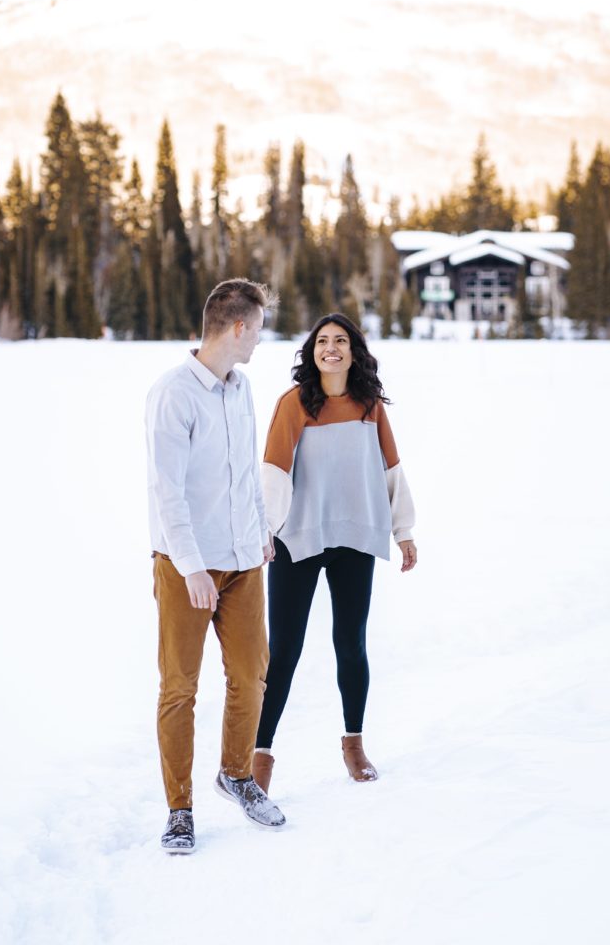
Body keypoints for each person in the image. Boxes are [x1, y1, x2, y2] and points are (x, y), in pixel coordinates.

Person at [145, 278, 286, 855]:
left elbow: (246, 471)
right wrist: (191, 566)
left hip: (243, 559)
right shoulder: (173, 394)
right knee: (180, 687)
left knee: (252, 672)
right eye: (257, 329)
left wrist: (259, 533)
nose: (259, 340)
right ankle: (180, 809)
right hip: (187, 566)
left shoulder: (241, 387)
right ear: (237, 327)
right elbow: (167, 492)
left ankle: (236, 774)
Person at [252, 313, 417, 793]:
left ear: (354, 351)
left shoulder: (370, 407)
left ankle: (354, 744)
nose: (331, 348)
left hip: (354, 537)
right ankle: (259, 757)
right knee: (284, 650)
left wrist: (403, 529)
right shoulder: (294, 404)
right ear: (312, 352)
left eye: (340, 340)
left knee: (352, 643)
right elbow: (274, 473)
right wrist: (265, 531)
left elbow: (392, 470)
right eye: (323, 341)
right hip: (297, 539)